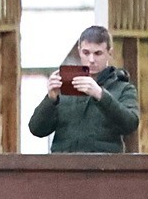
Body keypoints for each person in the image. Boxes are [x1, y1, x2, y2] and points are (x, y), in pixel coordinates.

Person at [28, 25, 139, 153]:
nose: (91, 60)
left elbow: (130, 125)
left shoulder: (123, 88)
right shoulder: (65, 86)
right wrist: (51, 99)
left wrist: (101, 95)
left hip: (105, 167)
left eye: (98, 53)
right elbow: (36, 129)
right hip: (65, 167)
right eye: (86, 53)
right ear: (79, 51)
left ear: (110, 53)